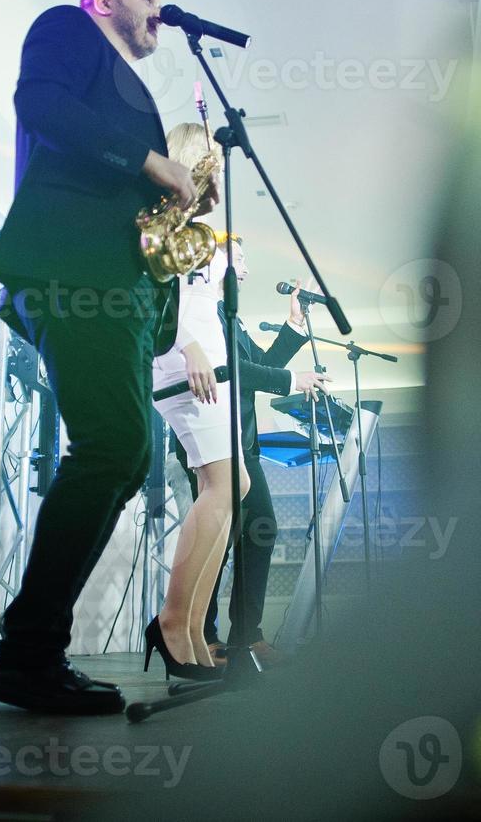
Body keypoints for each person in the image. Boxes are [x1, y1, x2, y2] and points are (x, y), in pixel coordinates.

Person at [0, 0, 215, 715]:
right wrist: (153, 163)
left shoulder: (131, 87)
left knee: (122, 451)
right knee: (115, 447)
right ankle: (26, 654)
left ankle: (31, 651)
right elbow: (41, 105)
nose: (158, 9)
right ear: (102, 0)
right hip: (72, 271)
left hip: (110, 283)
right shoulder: (65, 26)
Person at [144, 122, 329, 678]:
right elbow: (161, 292)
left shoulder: (201, 229)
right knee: (226, 491)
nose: (219, 180)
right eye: (214, 169)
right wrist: (190, 344)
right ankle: (176, 623)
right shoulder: (167, 219)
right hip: (187, 360)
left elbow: (233, 336)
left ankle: (193, 629)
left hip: (212, 365)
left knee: (236, 489)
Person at [171, 232, 323, 670]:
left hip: (242, 442)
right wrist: (293, 382)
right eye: (238, 259)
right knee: (224, 534)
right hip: (211, 439)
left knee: (252, 530)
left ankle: (239, 636)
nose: (246, 269)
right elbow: (238, 373)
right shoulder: (201, 314)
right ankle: (209, 635)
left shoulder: (229, 317)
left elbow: (263, 365)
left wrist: (293, 324)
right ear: (212, 262)